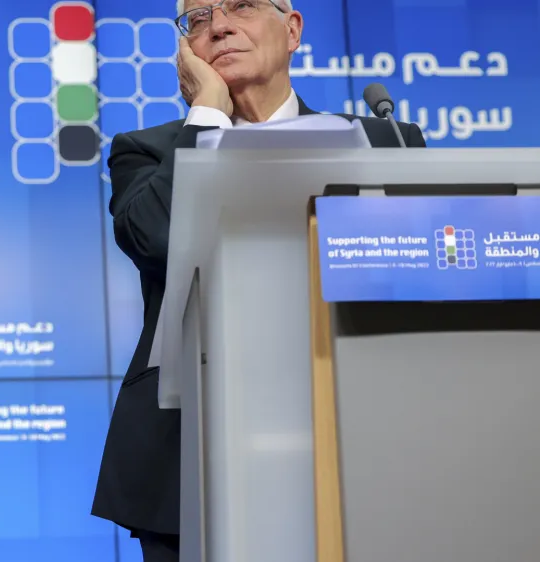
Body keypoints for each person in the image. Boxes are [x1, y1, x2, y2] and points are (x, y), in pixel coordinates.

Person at [90, 1, 426, 561]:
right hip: (186, 454)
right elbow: (156, 241)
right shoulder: (146, 150)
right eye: (198, 18)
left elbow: (411, 283)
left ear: (292, 30)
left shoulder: (384, 141)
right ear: (186, 51)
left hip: (356, 438)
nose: (220, 24)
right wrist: (208, 116)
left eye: (242, 5)